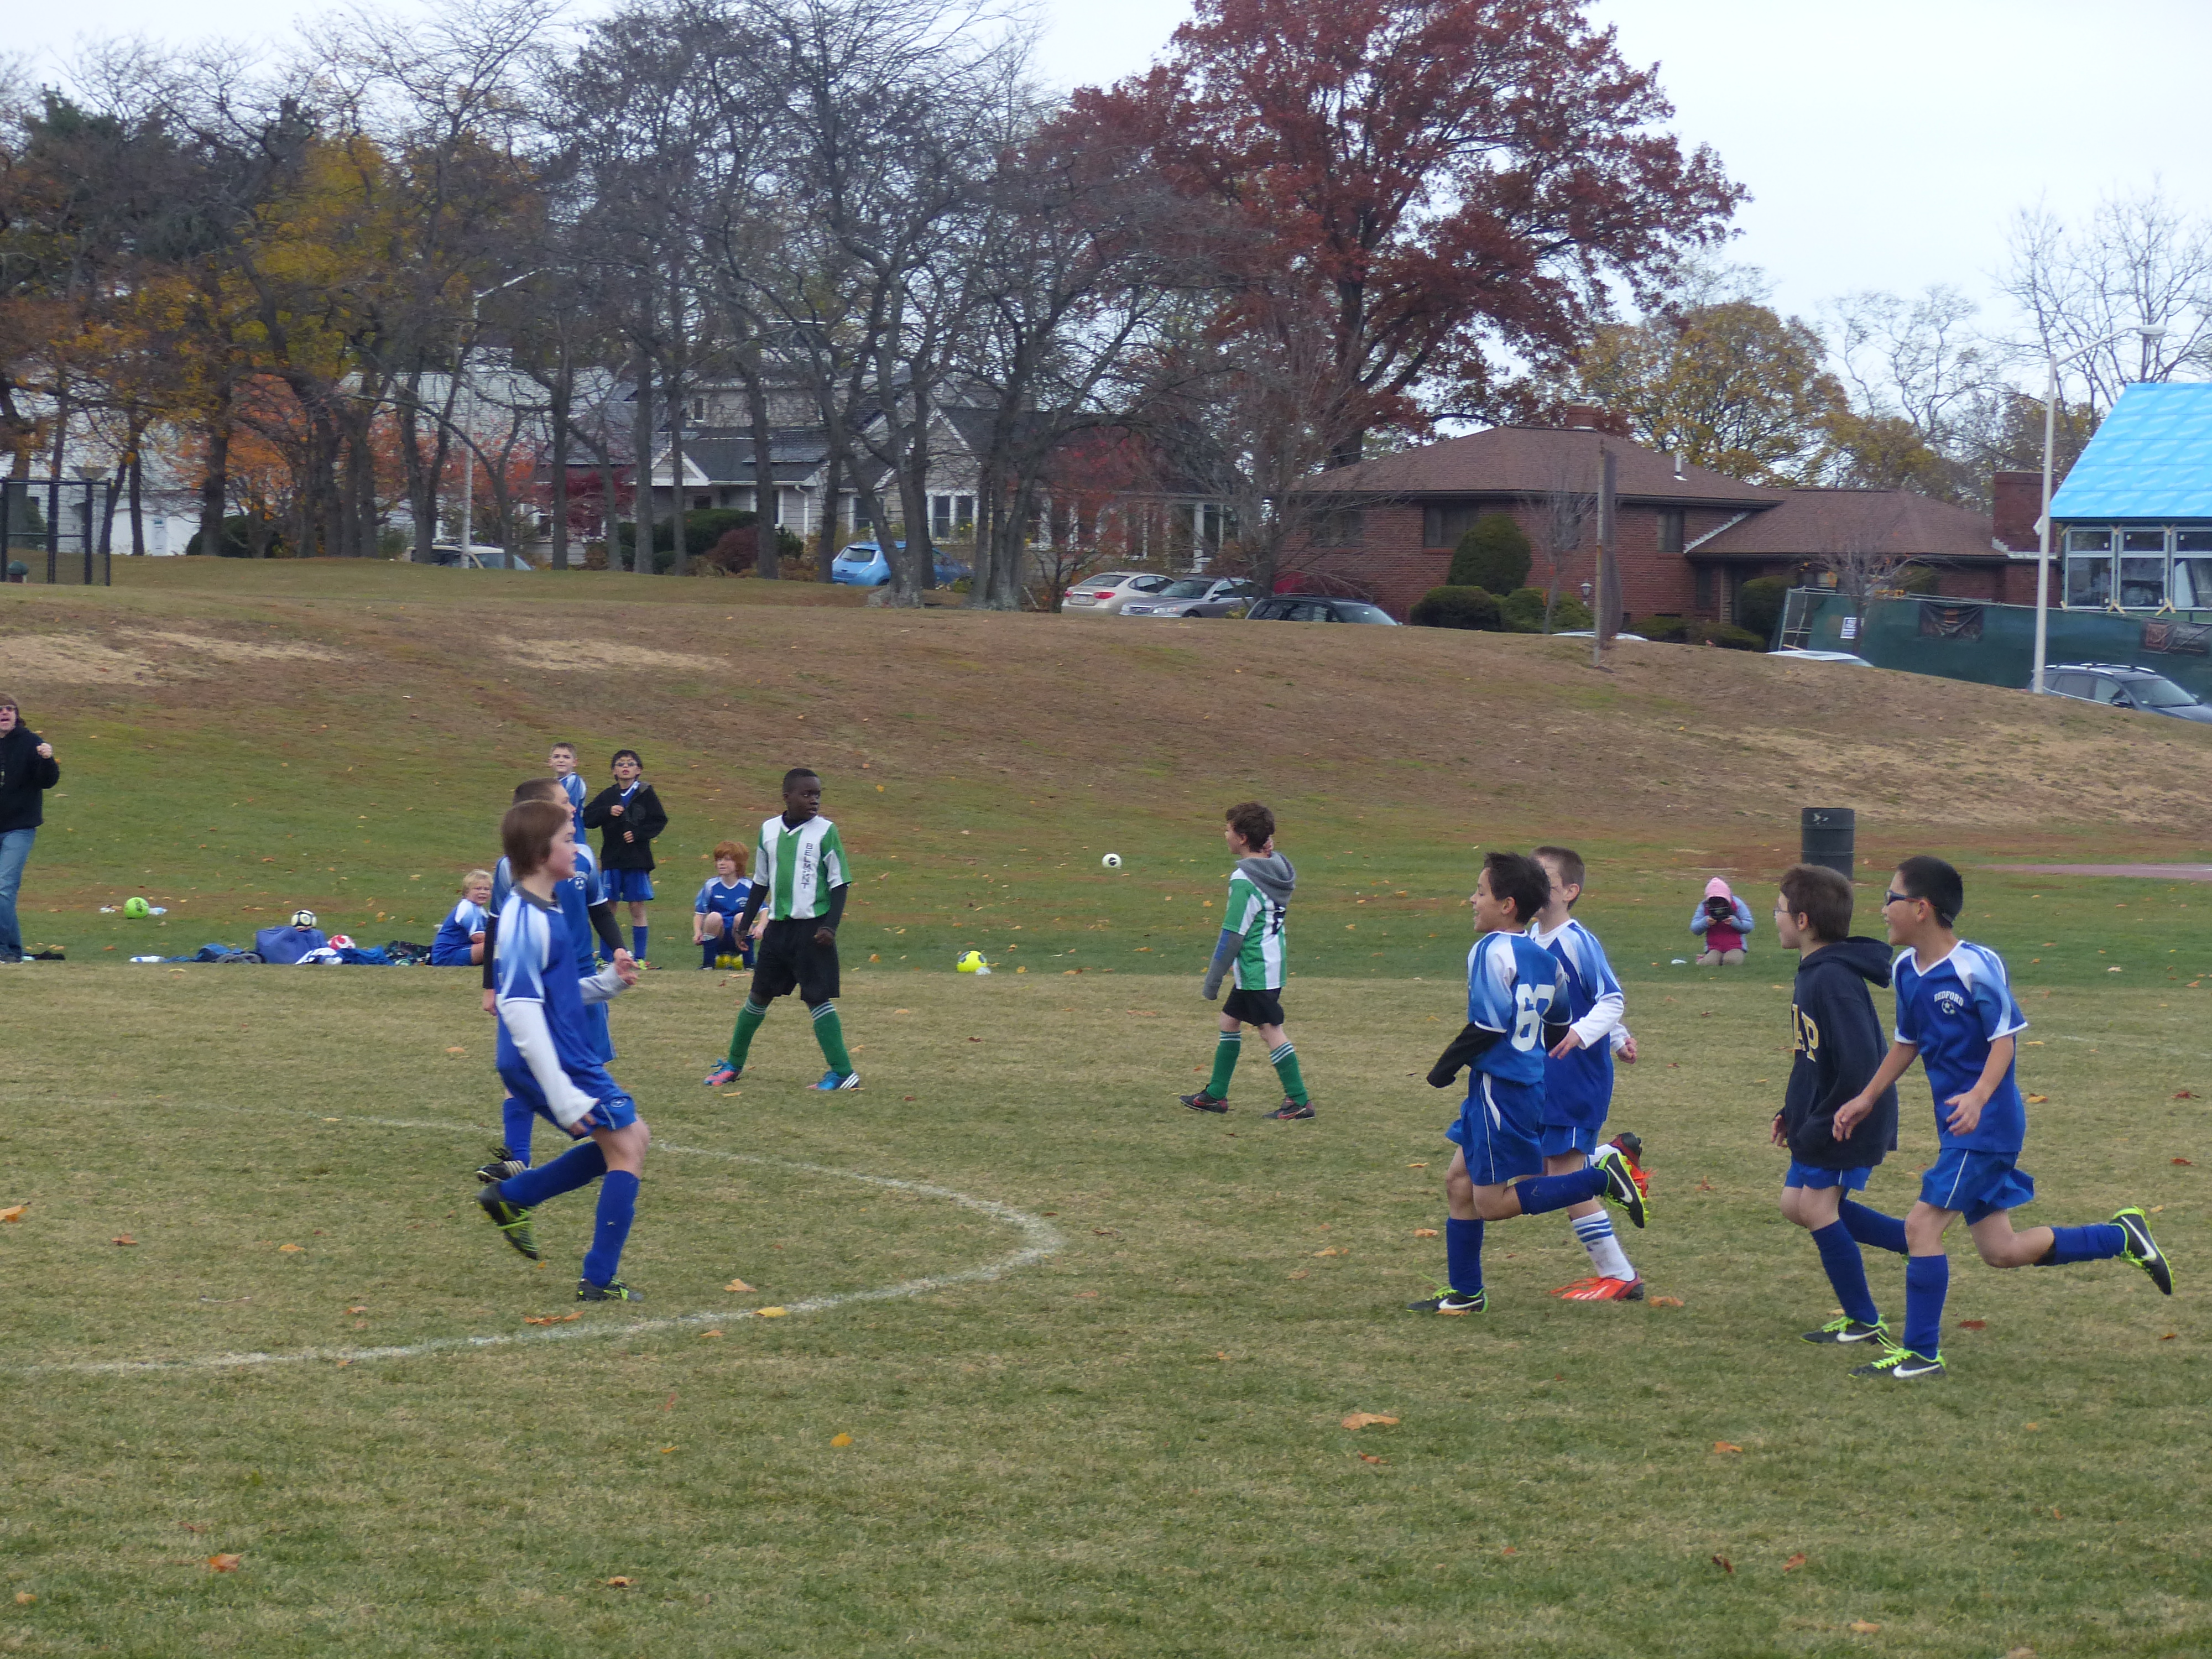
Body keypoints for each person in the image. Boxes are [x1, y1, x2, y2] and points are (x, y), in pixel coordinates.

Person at [1830, 856, 2172, 1380]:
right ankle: (2121, 1237)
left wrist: (1978, 1096)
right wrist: (1868, 1097)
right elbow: (1907, 1043)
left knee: (1921, 1227)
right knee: (2002, 1251)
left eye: (1890, 899)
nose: (1883, 909)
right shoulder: (1904, 970)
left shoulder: (1976, 966)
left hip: (1988, 1127)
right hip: (1960, 1129)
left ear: (1921, 909)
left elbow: (2004, 1040)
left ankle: (1922, 1354)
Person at [1407, 851, 1647, 1315]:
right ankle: (1467, 1293)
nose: (1473, 899)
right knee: (1460, 1181)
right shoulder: (1535, 947)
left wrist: (1445, 1067)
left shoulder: (1547, 944)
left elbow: (1598, 1000)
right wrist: (1589, 1038)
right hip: (1524, 1078)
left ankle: (1606, 1182)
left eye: (1480, 892)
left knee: (1510, 1194)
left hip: (1533, 1082)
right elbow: (1558, 1013)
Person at [476, 798, 649, 1301]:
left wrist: (607, 984)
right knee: (628, 1147)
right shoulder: (525, 916)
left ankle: (514, 1197)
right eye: (568, 839)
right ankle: (598, 1280)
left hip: (562, 1053)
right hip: (556, 1058)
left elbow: (555, 992)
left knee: (632, 1138)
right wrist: (562, 1093)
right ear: (539, 851)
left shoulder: (544, 908)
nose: (577, 848)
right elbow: (520, 1009)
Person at [1771, 863, 1906, 1348]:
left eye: (1779, 909)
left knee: (1817, 1207)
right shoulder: (1814, 972)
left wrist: (1829, 1119)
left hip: (1849, 1118)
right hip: (1821, 1114)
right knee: (1795, 1205)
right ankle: (1914, 1239)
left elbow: (1861, 1063)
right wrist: (1792, 1111)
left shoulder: (1833, 979)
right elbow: (1812, 1058)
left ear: (1803, 920)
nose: (1774, 917)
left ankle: (1864, 1319)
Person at [477, 780, 632, 1186]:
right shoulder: (515, 879)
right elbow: (496, 926)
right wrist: (490, 985)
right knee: (524, 1059)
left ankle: (608, 1142)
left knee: (589, 1061)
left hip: (579, 973)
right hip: (531, 976)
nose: (574, 807)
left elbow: (600, 910)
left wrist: (616, 956)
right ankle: (519, 1159)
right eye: (565, 802)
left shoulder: (584, 858)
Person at [1527, 845, 1645, 1300]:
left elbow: (1609, 998)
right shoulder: (1531, 939)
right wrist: (1618, 1036)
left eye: (1545, 879)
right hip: (1544, 1075)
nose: (1533, 884)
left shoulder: (1577, 940)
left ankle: (1620, 1275)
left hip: (1575, 1076)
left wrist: (1598, 1035)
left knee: (1562, 1179)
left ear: (1570, 892)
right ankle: (1607, 1161)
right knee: (1546, 1168)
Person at [705, 769, 858, 1091]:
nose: (814, 800)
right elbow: (761, 882)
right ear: (787, 797)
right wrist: (745, 923)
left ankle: (843, 1072)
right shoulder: (769, 830)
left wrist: (830, 926)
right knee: (758, 995)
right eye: (807, 794)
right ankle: (733, 1065)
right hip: (778, 929)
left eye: (817, 795)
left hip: (813, 929)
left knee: (816, 998)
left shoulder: (826, 831)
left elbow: (839, 883)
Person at [1181, 801, 1313, 1120]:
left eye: (1228, 830)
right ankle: (1215, 1095)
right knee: (1229, 1021)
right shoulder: (1275, 869)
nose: (1224, 835)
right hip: (1269, 964)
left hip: (1257, 969)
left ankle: (1299, 1101)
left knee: (1270, 1030)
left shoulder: (1244, 879)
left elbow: (1233, 934)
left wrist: (1213, 979)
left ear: (1242, 838)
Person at [582, 749, 666, 966]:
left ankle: (640, 958)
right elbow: (587, 818)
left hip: (637, 860)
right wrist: (607, 811)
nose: (625, 767)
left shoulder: (645, 793)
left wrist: (638, 834)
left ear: (639, 770)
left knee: (636, 906)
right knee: (608, 906)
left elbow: (659, 820)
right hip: (612, 859)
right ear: (614, 771)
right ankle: (605, 957)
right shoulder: (608, 796)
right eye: (620, 764)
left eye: (630, 764)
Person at [0, 695, 60, 964]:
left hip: (19, 828)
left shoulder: (31, 743)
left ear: (17, 714)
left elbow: (48, 781)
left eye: (9, 709)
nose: (5, 713)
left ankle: (2, 949)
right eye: (0, 710)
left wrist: (47, 760)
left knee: (4, 888)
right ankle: (13, 951)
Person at [693, 841, 755, 971]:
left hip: (739, 935)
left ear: (738, 863)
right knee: (714, 917)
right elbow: (700, 913)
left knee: (741, 917)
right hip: (718, 935)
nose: (721, 863)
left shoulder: (748, 886)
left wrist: (760, 928)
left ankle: (750, 964)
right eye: (719, 860)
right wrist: (698, 932)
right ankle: (708, 964)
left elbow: (764, 909)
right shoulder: (710, 885)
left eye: (727, 860)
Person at [431, 869, 494, 966]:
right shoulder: (467, 908)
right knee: (495, 947)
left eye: (487, 889)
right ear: (467, 892)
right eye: (478, 889)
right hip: (447, 955)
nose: (483, 892)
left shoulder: (480, 910)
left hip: (463, 949)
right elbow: (478, 938)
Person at [1691, 877, 1752, 965]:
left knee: (1731, 961)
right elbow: (1695, 929)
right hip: (1714, 946)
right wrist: (1706, 922)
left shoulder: (1737, 904)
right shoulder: (1704, 906)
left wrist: (1735, 923)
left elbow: (1749, 926)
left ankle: (1727, 958)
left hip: (1736, 945)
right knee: (1710, 963)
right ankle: (1702, 959)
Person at [548, 742, 588, 838]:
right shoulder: (553, 783)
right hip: (557, 834)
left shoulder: (574, 781)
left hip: (574, 837)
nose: (561, 760)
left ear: (575, 762)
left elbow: (566, 807)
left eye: (566, 757)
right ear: (550, 761)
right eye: (556, 757)